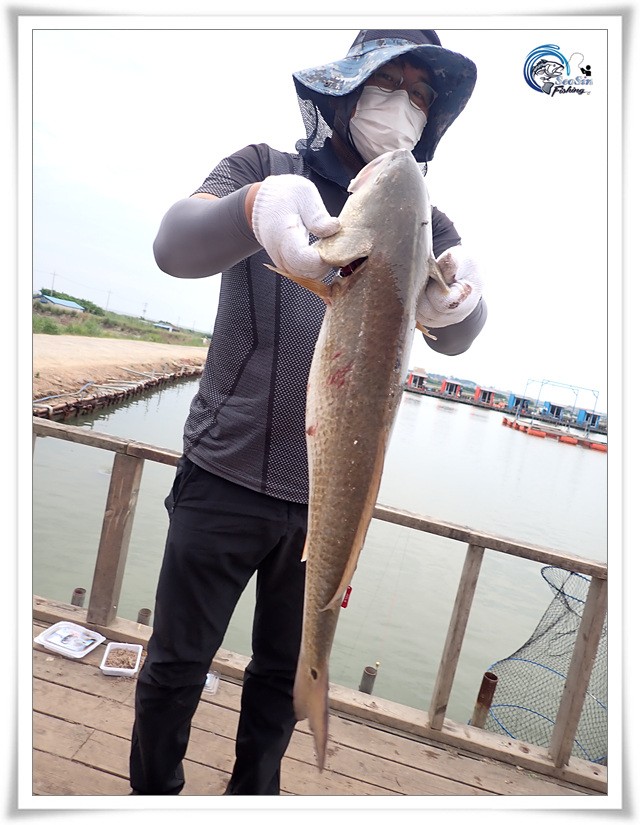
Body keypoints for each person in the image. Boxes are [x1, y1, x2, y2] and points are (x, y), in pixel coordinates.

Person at [129, 28, 486, 796]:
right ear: (345, 88)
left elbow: (460, 332)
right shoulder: (263, 169)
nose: (403, 104)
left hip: (327, 505)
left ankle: (253, 801)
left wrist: (464, 298)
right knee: (174, 664)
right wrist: (251, 209)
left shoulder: (423, 219)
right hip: (220, 478)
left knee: (280, 682)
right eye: (388, 82)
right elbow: (173, 246)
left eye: (420, 94)